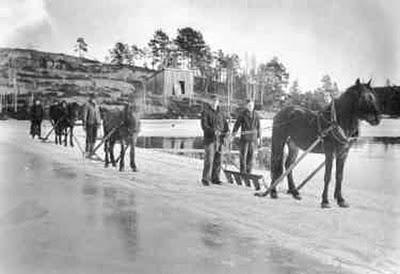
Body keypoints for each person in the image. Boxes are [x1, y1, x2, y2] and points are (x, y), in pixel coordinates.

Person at [200, 94, 229, 186]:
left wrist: (227, 132)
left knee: (218, 160)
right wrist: (213, 131)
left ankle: (215, 178)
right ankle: (205, 179)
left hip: (220, 140)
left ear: (218, 102)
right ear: (210, 102)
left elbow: (225, 125)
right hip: (210, 140)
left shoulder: (221, 113)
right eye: (213, 101)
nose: (215, 103)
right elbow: (204, 126)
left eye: (216, 101)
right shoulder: (205, 112)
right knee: (209, 159)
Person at [232, 99, 261, 174]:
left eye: (252, 105)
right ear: (246, 106)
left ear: (253, 106)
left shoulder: (256, 115)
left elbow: (259, 127)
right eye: (249, 105)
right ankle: (243, 171)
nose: (251, 107)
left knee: (251, 156)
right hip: (244, 138)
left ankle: (249, 171)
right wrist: (233, 134)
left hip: (253, 138)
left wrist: (259, 138)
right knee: (243, 155)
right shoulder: (242, 114)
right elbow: (236, 125)